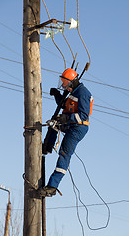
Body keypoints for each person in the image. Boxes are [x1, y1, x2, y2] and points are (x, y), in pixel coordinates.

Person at [37, 68, 93, 197]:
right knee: (53, 125)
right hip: (70, 124)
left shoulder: (83, 93)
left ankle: (52, 187)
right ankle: (46, 148)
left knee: (64, 153)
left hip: (77, 128)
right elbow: (65, 107)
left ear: (72, 82)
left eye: (64, 82)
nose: (63, 85)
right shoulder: (73, 91)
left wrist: (67, 118)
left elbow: (83, 115)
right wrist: (57, 95)